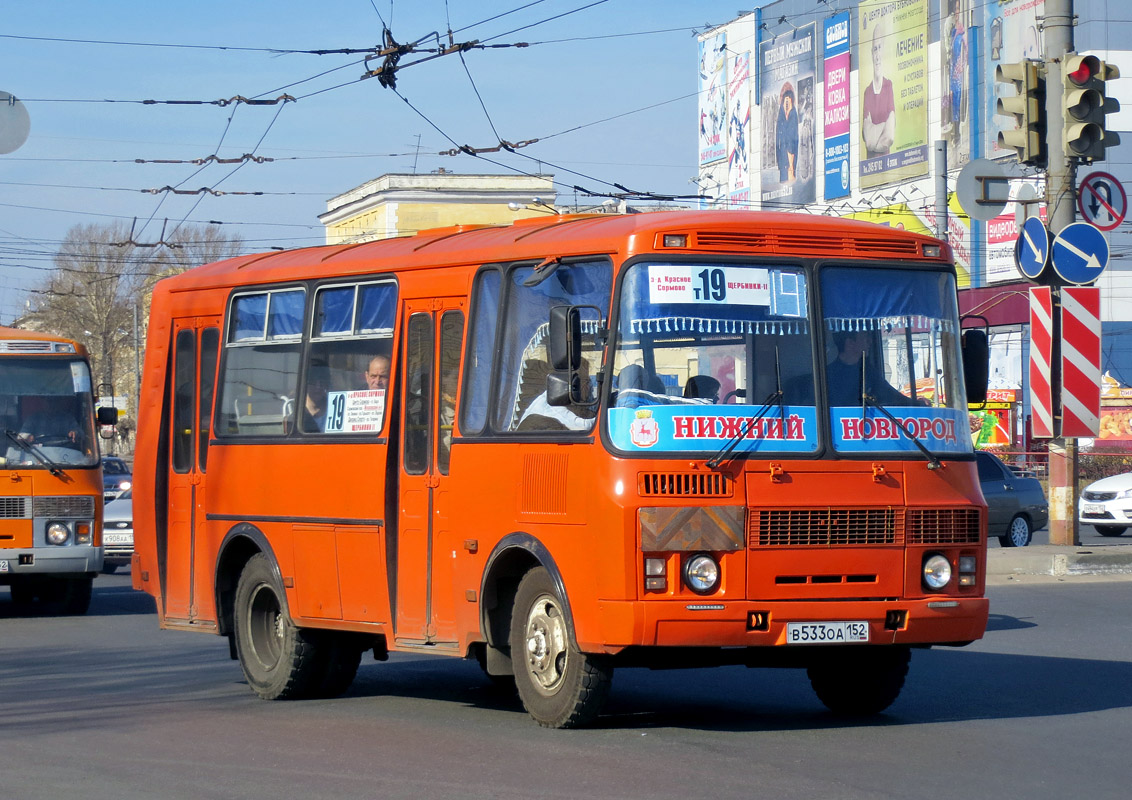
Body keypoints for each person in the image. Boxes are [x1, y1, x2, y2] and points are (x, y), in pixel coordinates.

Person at [826, 330, 912, 408]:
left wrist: (918, 404)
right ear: (850, 343)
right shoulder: (826, 377)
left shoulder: (869, 372)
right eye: (865, 336)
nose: (870, 341)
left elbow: (892, 397)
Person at [862, 20, 895, 158]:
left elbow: (889, 137)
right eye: (875, 48)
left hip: (888, 168)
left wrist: (874, 128)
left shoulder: (888, 87)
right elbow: (869, 142)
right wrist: (883, 125)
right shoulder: (867, 93)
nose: (877, 54)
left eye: (880, 48)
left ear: (884, 50)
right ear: (871, 53)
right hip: (867, 170)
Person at [775, 82, 799, 183]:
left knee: (791, 178)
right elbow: (777, 140)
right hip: (783, 155)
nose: (787, 102)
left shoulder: (793, 114)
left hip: (791, 154)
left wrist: (792, 154)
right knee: (784, 180)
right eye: (785, 100)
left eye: (789, 99)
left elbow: (795, 137)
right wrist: (779, 162)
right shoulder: (780, 116)